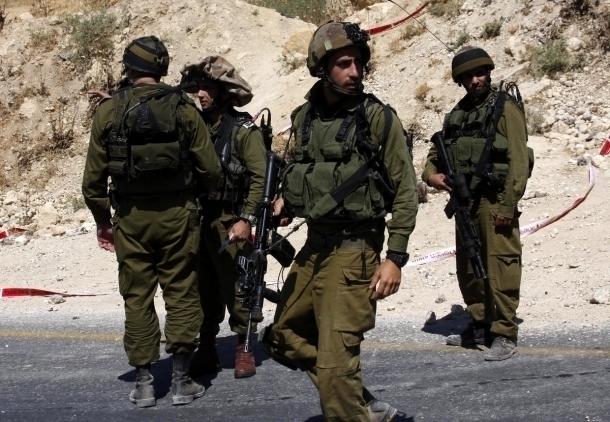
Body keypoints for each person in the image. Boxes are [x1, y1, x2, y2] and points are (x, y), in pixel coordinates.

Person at [259, 22, 418, 421]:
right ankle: (356, 400)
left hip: (354, 253)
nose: (355, 72)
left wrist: (395, 257)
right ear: (322, 67)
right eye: (344, 64)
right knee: (283, 336)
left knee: (335, 362)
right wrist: (286, 199)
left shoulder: (378, 119)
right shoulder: (304, 118)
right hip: (314, 248)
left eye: (358, 63)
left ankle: (344, 396)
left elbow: (405, 192)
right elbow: (306, 172)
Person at [82, 36, 222, 407]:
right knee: (181, 292)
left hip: (130, 218)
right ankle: (181, 381)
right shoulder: (183, 106)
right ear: (162, 68)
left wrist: (102, 221)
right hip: (178, 216)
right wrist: (207, 192)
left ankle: (144, 383)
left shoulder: (109, 110)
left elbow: (92, 181)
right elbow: (210, 168)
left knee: (137, 296)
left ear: (129, 68)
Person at [421, 46, 529, 361]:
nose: (475, 81)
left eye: (479, 74)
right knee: (469, 266)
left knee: (500, 266)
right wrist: (431, 176)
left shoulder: (505, 108)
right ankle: (480, 324)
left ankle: (505, 332)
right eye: (468, 77)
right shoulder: (457, 113)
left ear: (488, 73)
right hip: (464, 200)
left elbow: (518, 161)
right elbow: (435, 155)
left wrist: (508, 206)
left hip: (495, 200)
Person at [178, 56, 268, 379]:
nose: (200, 94)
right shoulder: (194, 127)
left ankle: (244, 345)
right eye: (198, 88)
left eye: (208, 88)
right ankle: (207, 346)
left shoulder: (243, 131)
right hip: (198, 220)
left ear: (224, 93)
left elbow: (260, 178)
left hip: (231, 220)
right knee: (202, 288)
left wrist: (246, 219)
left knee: (238, 287)